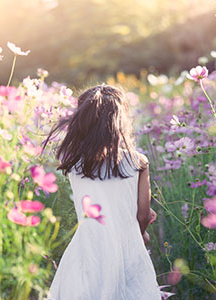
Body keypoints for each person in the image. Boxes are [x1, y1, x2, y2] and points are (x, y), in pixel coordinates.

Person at [43, 84, 161, 300]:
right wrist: (141, 232)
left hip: (87, 251)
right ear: (120, 121)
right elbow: (143, 215)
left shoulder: (74, 165)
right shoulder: (138, 162)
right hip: (128, 250)